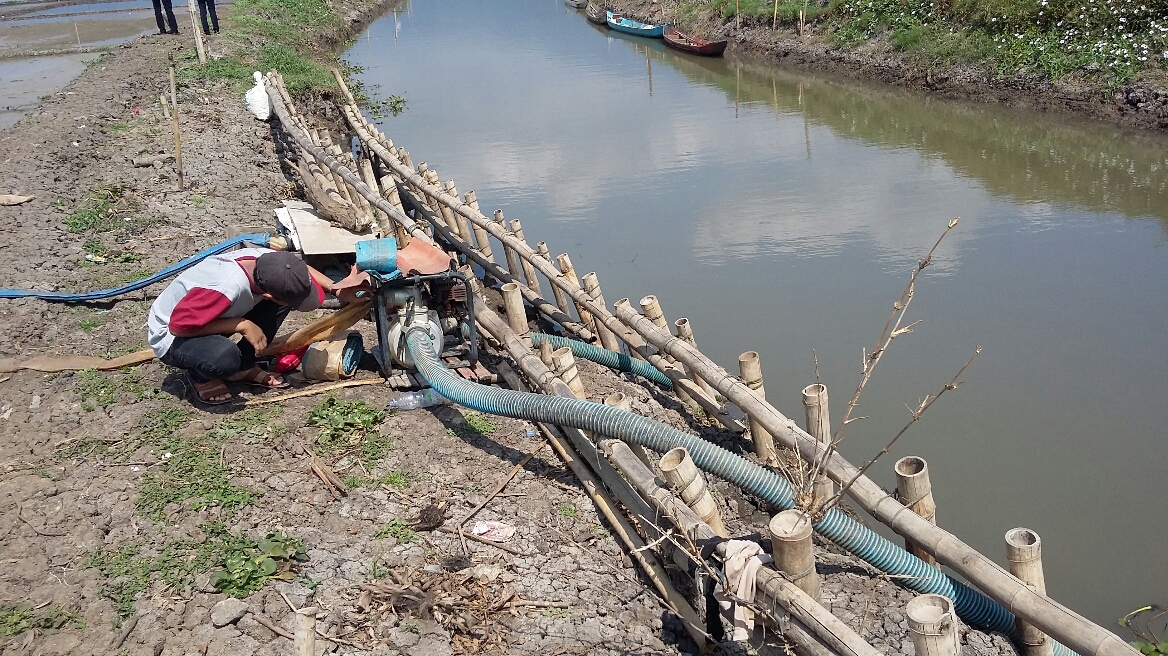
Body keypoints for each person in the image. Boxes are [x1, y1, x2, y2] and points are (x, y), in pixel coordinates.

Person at [147, 248, 335, 405]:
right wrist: (242, 325)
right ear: (268, 295)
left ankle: (243, 368)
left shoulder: (267, 261)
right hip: (172, 336)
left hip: (209, 314)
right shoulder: (225, 287)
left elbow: (299, 268)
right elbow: (179, 327)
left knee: (285, 300)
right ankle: (202, 377)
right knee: (224, 357)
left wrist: (336, 287)